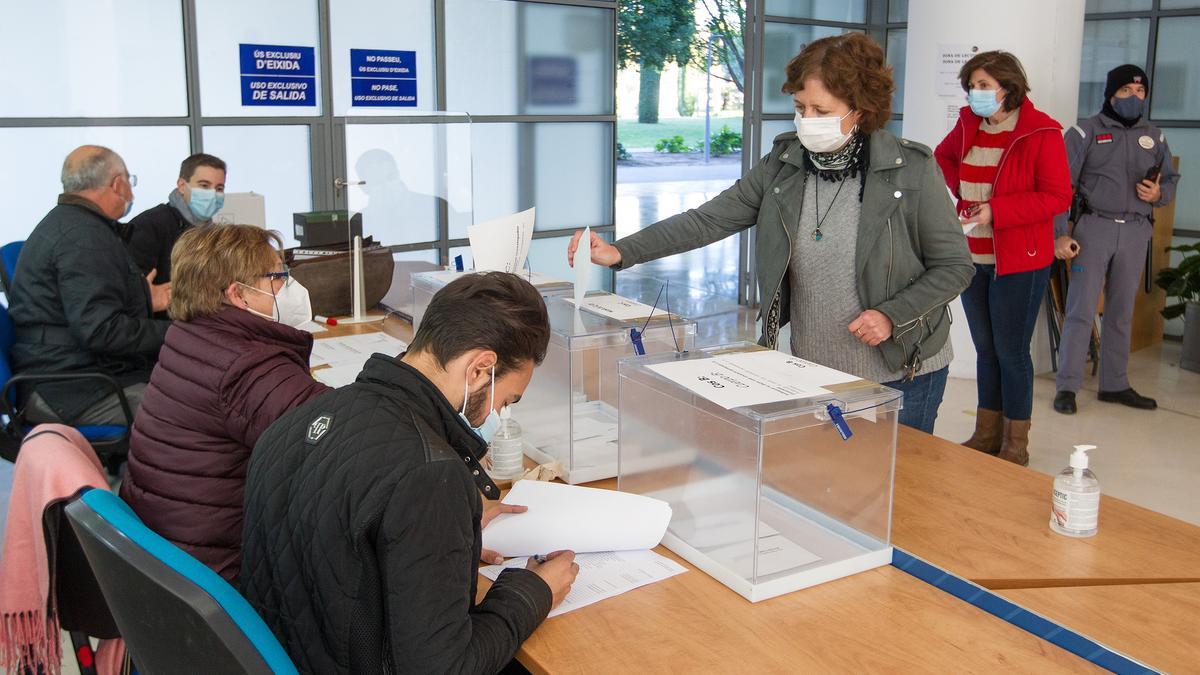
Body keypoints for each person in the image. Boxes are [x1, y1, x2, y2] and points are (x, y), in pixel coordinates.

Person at [569, 33, 973, 434]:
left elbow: (954, 266)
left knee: (900, 491)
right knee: (828, 487)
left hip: (902, 368)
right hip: (812, 368)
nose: (807, 121)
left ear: (860, 110)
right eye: (800, 107)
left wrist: (891, 314)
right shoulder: (784, 163)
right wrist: (621, 251)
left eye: (821, 109)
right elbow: (708, 220)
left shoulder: (910, 168)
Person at [240, 272, 579, 673]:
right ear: (479, 369)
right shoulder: (429, 474)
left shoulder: (298, 420)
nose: (496, 415)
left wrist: (449, 530)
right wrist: (532, 592)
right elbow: (444, 669)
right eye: (506, 400)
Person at [119, 224, 329, 582]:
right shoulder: (244, 364)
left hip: (173, 551)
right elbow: (344, 436)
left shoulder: (192, 335)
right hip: (223, 572)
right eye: (278, 277)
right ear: (238, 295)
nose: (288, 287)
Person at [934, 51, 1072, 465]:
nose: (975, 94)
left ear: (1008, 88)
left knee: (1011, 351)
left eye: (983, 86)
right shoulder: (967, 124)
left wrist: (997, 209)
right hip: (974, 256)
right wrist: (965, 197)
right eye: (971, 86)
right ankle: (986, 433)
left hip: (1021, 260)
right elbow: (943, 158)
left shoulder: (1041, 131)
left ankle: (1016, 444)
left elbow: (1057, 196)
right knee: (986, 349)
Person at [8, 145, 171, 427]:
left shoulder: (72, 224)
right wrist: (178, 332)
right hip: (71, 388)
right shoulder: (84, 238)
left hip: (66, 373)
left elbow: (84, 304)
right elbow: (101, 330)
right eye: (129, 182)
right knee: (190, 414)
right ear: (118, 184)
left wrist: (144, 297)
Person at [1052, 65, 1180, 415]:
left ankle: (1115, 383)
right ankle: (1067, 386)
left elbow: (1170, 180)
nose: (1134, 98)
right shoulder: (1085, 132)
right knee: (1081, 310)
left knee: (1121, 312)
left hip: (1137, 229)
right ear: (1111, 94)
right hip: (1095, 228)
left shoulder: (1154, 136)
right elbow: (1061, 186)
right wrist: (1059, 234)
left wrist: (1158, 193)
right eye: (1126, 91)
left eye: (1140, 93)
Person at [126, 153, 226, 318]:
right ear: (181, 185)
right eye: (204, 185)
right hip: (162, 329)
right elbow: (133, 294)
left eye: (219, 188)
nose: (212, 194)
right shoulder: (150, 225)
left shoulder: (216, 234)